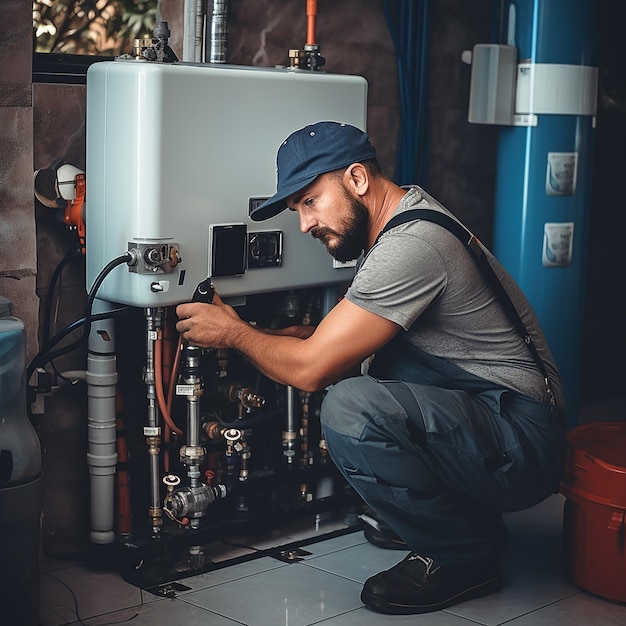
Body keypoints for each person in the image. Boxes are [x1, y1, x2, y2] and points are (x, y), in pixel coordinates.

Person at [176, 121, 566, 615]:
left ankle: (464, 555)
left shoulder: (411, 246)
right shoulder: (404, 222)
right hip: (498, 422)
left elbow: (312, 370)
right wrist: (256, 330)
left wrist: (233, 334)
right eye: (297, 210)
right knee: (369, 364)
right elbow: (329, 342)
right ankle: (459, 520)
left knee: (349, 408)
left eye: (311, 202)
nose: (304, 225)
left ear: (357, 178)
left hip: (524, 443)